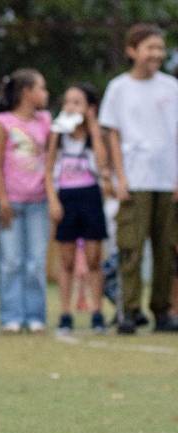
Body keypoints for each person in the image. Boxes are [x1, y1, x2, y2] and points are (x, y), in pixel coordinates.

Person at [99, 23, 178, 334]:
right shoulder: (119, 88)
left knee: (166, 250)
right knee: (130, 248)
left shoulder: (172, 87)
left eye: (160, 48)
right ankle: (129, 311)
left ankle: (162, 311)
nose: (155, 54)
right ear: (133, 51)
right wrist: (120, 178)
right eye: (150, 48)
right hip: (135, 179)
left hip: (167, 181)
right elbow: (112, 134)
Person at [0, 69, 53, 333]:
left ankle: (35, 315)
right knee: (11, 261)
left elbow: (50, 160)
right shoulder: (3, 121)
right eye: (42, 88)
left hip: (39, 201)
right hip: (12, 202)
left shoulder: (46, 120)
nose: (46, 94)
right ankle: (11, 316)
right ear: (27, 92)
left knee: (36, 262)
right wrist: (2, 199)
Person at [45, 84, 111, 335]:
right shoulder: (58, 136)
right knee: (67, 259)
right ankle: (65, 312)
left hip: (90, 195)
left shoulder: (95, 136)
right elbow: (49, 170)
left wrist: (93, 129)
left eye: (77, 102)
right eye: (67, 102)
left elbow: (103, 164)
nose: (71, 107)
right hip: (67, 197)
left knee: (94, 257)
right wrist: (53, 200)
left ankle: (97, 311)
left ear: (89, 108)